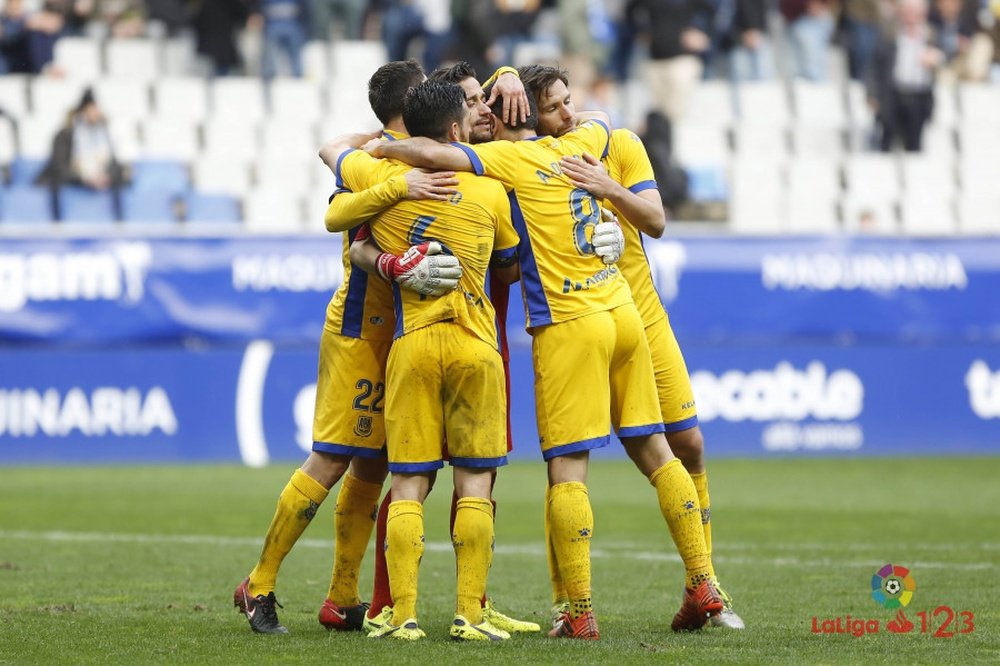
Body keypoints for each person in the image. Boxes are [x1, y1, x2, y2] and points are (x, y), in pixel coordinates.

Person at [366, 82, 723, 639]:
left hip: (567, 325)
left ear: (501, 121)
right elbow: (600, 116)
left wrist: (382, 148)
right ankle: (704, 579)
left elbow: (437, 152)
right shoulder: (582, 142)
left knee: (566, 470)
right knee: (658, 450)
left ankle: (577, 612)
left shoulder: (505, 160)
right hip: (622, 312)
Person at [232, 60, 463, 635]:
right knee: (333, 456)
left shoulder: (433, 152)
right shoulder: (377, 160)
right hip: (363, 326)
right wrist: (395, 192)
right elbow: (347, 229)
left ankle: (341, 596)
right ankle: (259, 584)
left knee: (377, 462)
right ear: (408, 102)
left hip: (408, 333)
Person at [518, 63, 744, 630]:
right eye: (554, 106)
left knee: (686, 444)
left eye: (571, 101)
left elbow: (657, 221)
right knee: (566, 465)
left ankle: (704, 585)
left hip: (642, 314)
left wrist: (609, 190)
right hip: (579, 316)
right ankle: (565, 601)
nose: (569, 113)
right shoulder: (523, 165)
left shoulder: (618, 143)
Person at [322, 61, 540, 637]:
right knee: (475, 477)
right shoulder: (492, 184)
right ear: (455, 128)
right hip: (478, 341)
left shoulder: (382, 182)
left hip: (412, 345)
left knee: (409, 481)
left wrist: (393, 252)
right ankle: (466, 612)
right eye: (472, 105)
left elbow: (337, 218)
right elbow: (512, 262)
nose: (483, 113)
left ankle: (402, 613)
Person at [35, 87, 125, 221]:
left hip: (97, 183)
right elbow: (60, 168)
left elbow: (114, 163)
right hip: (69, 185)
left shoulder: (104, 135)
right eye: (91, 110)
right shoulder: (64, 136)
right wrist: (85, 179)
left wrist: (106, 177)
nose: (96, 114)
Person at [867, 0, 943, 152]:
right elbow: (875, 65)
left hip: (919, 95)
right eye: (907, 11)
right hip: (894, 94)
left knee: (914, 144)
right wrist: (872, 94)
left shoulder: (931, 35)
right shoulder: (889, 34)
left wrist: (937, 60)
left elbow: (944, 61)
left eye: (915, 11)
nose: (911, 15)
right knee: (887, 141)